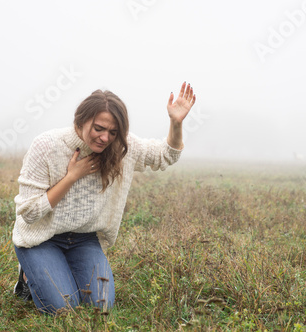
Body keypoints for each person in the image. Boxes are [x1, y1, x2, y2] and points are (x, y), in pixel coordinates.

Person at [12, 82, 196, 315]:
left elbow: (165, 156)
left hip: (83, 240)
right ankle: (28, 275)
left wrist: (176, 122)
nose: (105, 138)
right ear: (81, 120)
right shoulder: (47, 145)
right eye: (98, 128)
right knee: (62, 308)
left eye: (113, 132)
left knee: (101, 306)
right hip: (41, 238)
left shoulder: (121, 148)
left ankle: (59, 269)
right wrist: (71, 177)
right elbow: (28, 213)